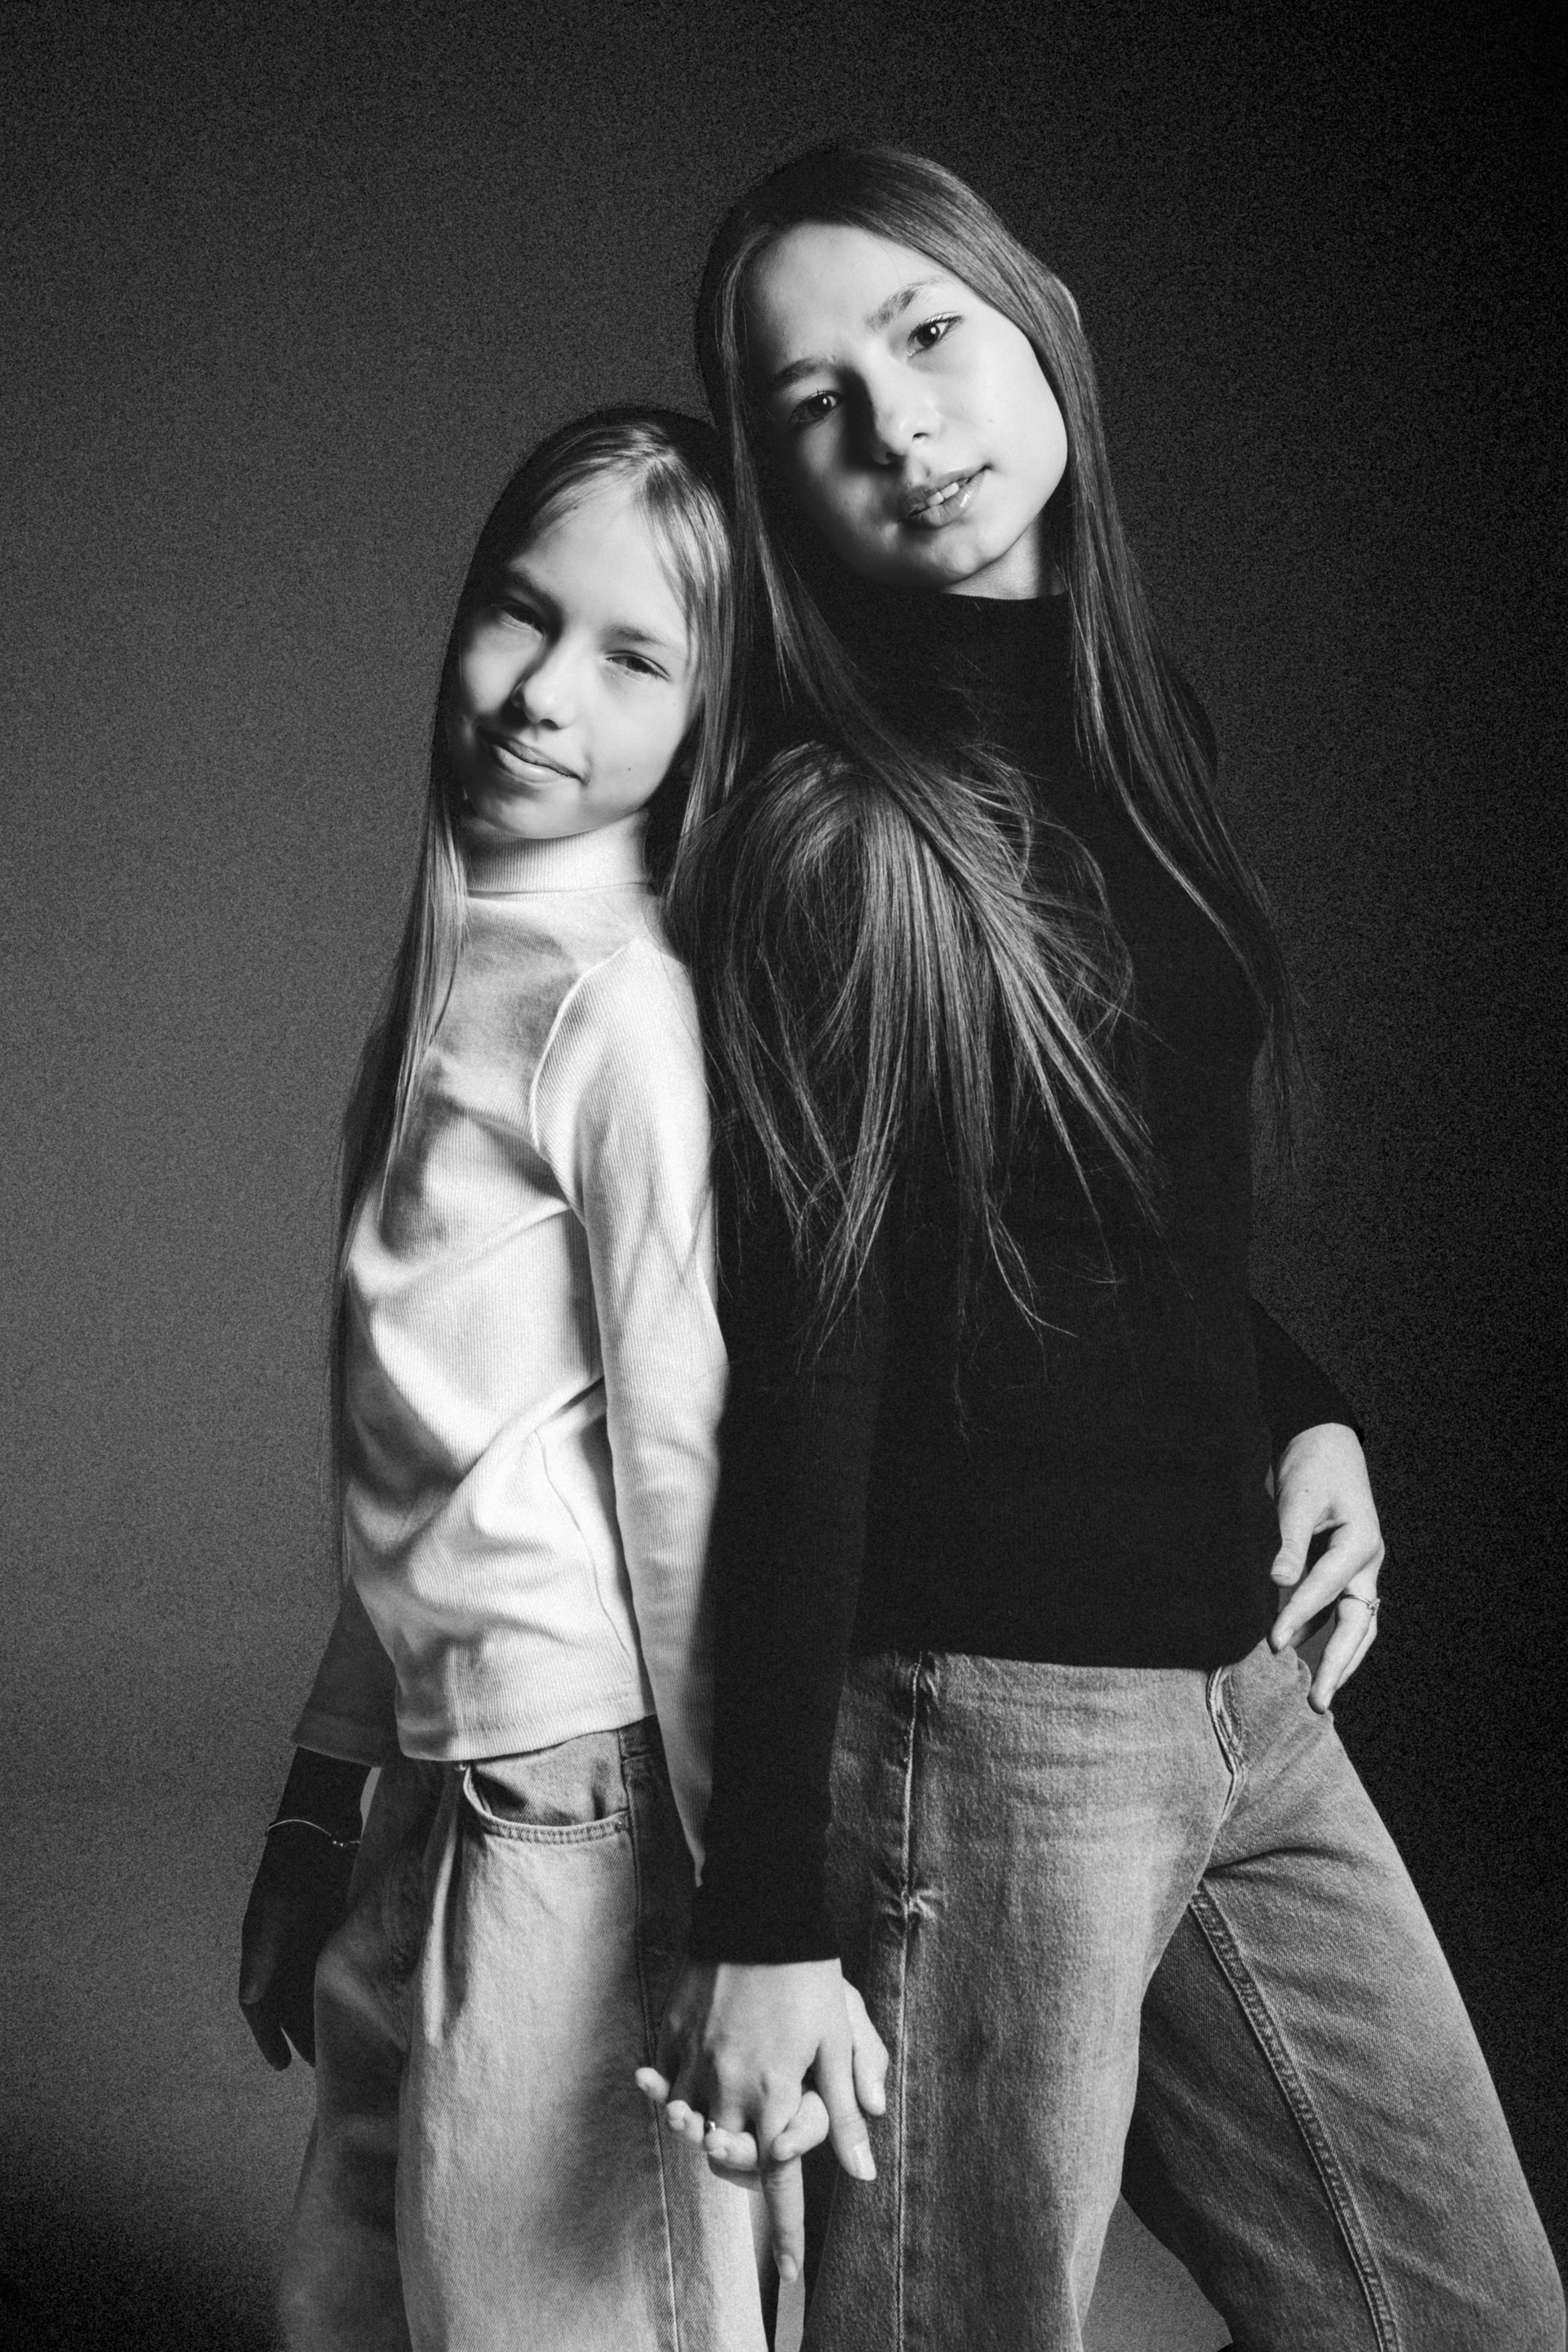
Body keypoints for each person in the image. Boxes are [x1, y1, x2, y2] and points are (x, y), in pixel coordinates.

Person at [641, 147, 1565, 2351]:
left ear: (1035, 319)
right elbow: (810, 1369)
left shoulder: (1135, 735)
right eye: (816, 410)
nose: (900, 427)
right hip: (991, 1728)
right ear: (782, 494)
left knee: (1464, 2313)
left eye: (927, 335)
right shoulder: (838, 834)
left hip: (1241, 1685)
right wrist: (765, 1913)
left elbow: (1108, 1207)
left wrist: (1305, 1409)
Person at [238, 407, 788, 2352]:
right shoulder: (461, 974)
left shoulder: (618, 1007)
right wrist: (319, 1803)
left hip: (581, 1794)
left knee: (555, 2307)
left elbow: (678, 1459)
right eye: (519, 612)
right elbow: (425, 1468)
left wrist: (748, 1896)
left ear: (707, 721)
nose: (546, 690)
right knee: (356, 2290)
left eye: (634, 657)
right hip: (444, 1768)